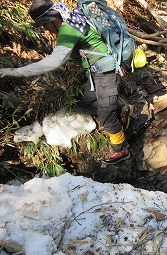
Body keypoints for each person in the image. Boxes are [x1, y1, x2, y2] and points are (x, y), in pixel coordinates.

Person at [0, 0, 130, 164]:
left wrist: (16, 72)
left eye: (45, 25)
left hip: (105, 72)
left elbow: (55, 61)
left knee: (106, 114)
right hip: (94, 73)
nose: (46, 30)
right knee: (79, 103)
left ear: (53, 18)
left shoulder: (69, 29)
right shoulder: (74, 18)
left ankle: (121, 149)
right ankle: (118, 111)